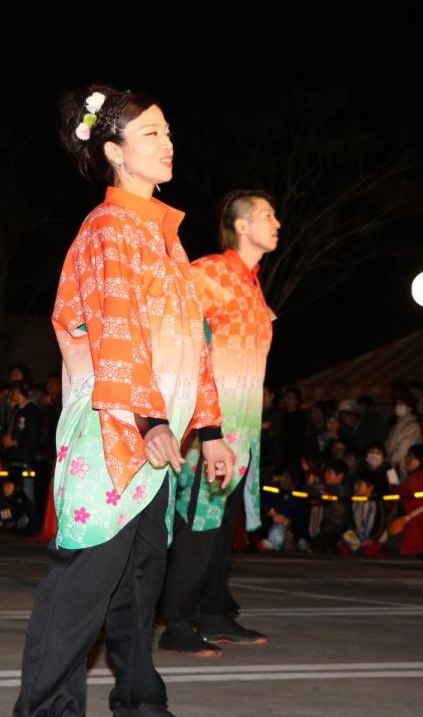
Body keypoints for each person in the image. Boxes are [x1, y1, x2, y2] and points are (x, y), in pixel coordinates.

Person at [15, 85, 234, 717]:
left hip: (154, 429)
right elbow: (115, 329)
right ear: (114, 151)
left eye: (167, 131)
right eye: (151, 134)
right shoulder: (108, 228)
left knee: (141, 581)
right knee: (84, 581)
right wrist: (151, 417)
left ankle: (140, 697)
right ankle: (46, 709)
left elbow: (194, 341)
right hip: (112, 427)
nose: (168, 144)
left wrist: (210, 426)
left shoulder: (166, 239)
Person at [159, 190, 279, 655]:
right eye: (267, 216)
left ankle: (213, 614)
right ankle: (176, 622)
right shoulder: (208, 273)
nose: (277, 223)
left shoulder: (252, 284)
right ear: (242, 225)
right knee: (196, 525)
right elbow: (172, 331)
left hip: (242, 429)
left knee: (221, 525)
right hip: (207, 430)